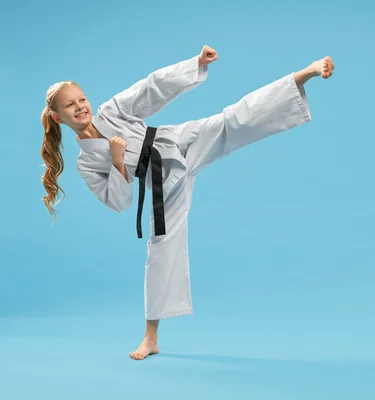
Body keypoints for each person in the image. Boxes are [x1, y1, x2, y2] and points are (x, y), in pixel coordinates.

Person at [40, 45, 335, 360]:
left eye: (82, 99)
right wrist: (117, 163)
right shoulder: (86, 163)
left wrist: (194, 64)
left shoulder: (112, 111)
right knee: (161, 249)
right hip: (161, 184)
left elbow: (151, 87)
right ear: (58, 117)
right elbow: (119, 202)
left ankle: (301, 77)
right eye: (70, 106)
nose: (81, 107)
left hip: (176, 142)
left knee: (230, 120)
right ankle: (150, 338)